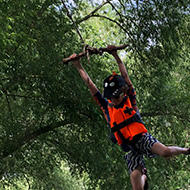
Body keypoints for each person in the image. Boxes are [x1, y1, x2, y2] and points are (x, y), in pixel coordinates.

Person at [70, 45, 190, 190]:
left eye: (117, 96)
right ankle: (144, 176)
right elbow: (90, 84)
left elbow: (125, 77)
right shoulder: (106, 108)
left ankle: (186, 150)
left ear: (123, 92)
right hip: (129, 148)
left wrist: (115, 54)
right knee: (137, 188)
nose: (114, 100)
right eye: (112, 98)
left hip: (142, 138)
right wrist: (78, 65)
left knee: (165, 152)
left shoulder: (130, 100)